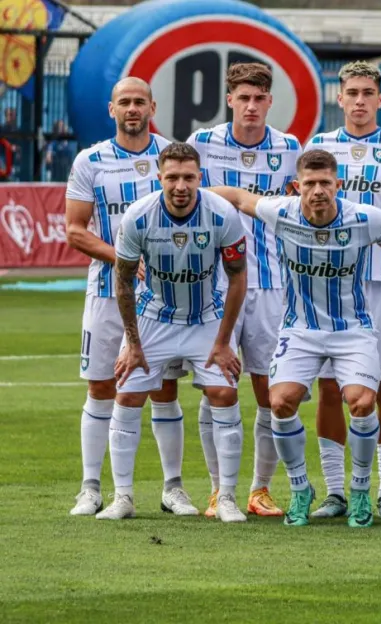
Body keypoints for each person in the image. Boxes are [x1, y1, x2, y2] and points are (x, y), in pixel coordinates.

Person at [209, 149, 381, 527]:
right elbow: (236, 197)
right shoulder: (281, 212)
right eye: (310, 184)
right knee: (279, 402)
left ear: (339, 185)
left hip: (353, 329)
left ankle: (361, 491)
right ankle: (301, 489)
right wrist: (180, 194)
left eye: (325, 184)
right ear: (298, 186)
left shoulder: (364, 218)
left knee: (362, 403)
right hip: (299, 329)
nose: (318, 191)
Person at [98, 142, 249, 522]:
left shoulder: (222, 215)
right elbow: (125, 282)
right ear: (159, 177)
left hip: (205, 316)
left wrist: (223, 342)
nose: (180, 185)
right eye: (172, 177)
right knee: (128, 396)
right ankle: (124, 497)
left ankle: (226, 496)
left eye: (189, 177)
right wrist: (132, 344)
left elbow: (237, 278)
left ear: (200, 178)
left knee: (223, 391)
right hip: (154, 317)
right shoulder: (137, 217)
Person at [303, 61, 381, 520]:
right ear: (340, 98)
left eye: (367, 92)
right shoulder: (319, 147)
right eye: (351, 92)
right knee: (331, 389)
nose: (359, 100)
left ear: (380, 98)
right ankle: (336, 492)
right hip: (329, 286)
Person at [64, 78, 191, 517]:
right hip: (106, 291)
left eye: (139, 102)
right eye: (125, 102)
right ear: (111, 109)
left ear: (152, 106)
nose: (132, 108)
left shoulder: (172, 156)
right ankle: (90, 487)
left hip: (166, 296)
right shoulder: (90, 160)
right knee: (101, 385)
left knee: (164, 388)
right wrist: (123, 258)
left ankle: (173, 487)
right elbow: (75, 230)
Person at [186, 62, 302, 518]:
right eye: (243, 98)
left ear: (270, 102)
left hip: (272, 283)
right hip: (215, 284)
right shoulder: (202, 144)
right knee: (215, 384)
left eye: (260, 99)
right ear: (230, 100)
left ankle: (259, 489)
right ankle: (218, 489)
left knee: (267, 389)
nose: (251, 106)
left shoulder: (289, 147)